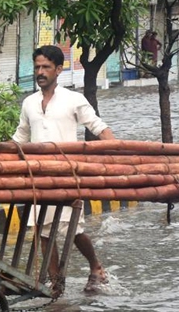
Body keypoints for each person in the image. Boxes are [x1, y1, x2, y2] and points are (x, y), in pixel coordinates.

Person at [12, 45, 114, 295]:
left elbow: (98, 127)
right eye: (37, 67)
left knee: (72, 228)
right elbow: (20, 137)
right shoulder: (29, 103)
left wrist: (118, 154)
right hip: (39, 176)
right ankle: (55, 282)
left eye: (46, 67)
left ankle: (96, 267)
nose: (40, 72)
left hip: (68, 176)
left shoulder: (73, 100)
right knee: (44, 232)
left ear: (59, 70)